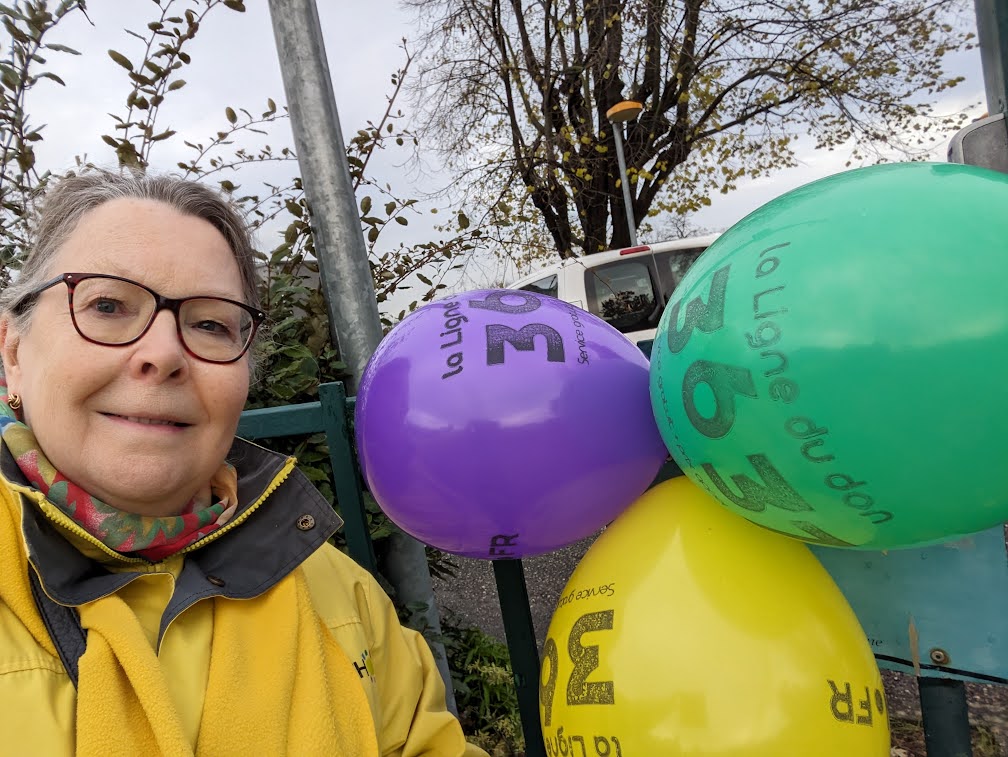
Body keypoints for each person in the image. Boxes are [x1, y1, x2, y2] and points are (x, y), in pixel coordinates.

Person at [0, 168, 491, 756]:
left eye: (209, 323)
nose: (162, 354)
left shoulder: (346, 601)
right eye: (107, 305)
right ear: (14, 352)